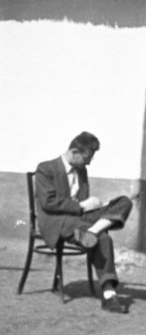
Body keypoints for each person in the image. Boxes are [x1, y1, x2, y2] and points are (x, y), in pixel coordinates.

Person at [34, 131, 134, 313]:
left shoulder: (82, 170)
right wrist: (81, 206)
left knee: (124, 202)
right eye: (87, 157)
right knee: (104, 239)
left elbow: (83, 204)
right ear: (73, 152)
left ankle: (93, 230)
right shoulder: (46, 169)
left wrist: (97, 206)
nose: (89, 162)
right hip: (58, 220)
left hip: (80, 220)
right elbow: (48, 203)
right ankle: (109, 293)